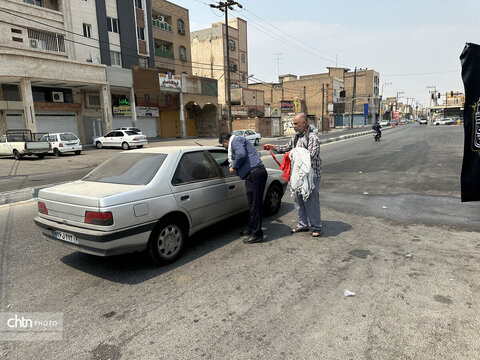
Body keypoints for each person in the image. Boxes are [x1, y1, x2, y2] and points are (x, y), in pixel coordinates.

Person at [264, 113, 323, 237]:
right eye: (293, 124)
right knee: (298, 200)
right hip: (297, 175)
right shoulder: (295, 137)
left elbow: (312, 155)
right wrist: (274, 147)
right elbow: (287, 147)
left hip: (311, 175)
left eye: (295, 123)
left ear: (303, 123)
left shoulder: (312, 138)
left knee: (311, 201)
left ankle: (317, 226)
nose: (293, 126)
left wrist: (295, 153)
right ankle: (302, 225)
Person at [219, 132, 268, 244]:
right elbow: (234, 157)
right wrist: (222, 164)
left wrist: (234, 167)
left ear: (226, 141)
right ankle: (252, 228)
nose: (225, 148)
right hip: (255, 174)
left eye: (224, 145)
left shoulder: (235, 140)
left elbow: (241, 155)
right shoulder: (238, 141)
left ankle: (257, 235)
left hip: (254, 174)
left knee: (255, 205)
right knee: (253, 204)